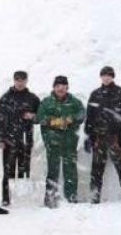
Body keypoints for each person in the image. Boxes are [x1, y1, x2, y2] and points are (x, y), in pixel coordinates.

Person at [84, 66, 121, 203]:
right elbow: (89, 117)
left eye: (109, 75)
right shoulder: (95, 94)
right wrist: (88, 136)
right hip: (99, 137)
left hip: (116, 138)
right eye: (104, 75)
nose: (106, 77)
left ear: (113, 77)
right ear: (101, 77)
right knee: (96, 168)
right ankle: (94, 194)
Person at [37, 75, 85, 206]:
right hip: (52, 141)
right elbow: (38, 117)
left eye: (63, 86)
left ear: (67, 87)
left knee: (70, 169)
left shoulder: (74, 102)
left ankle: (71, 197)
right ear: (54, 87)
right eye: (58, 86)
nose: (60, 88)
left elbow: (82, 114)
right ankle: (50, 199)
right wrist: (52, 121)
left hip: (70, 141)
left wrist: (70, 119)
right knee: (53, 170)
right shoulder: (46, 102)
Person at [0, 70, 40, 206]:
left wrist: (32, 116)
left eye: (22, 80)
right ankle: (6, 197)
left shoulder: (33, 98)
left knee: (23, 168)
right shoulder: (5, 98)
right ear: (14, 81)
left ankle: (20, 197)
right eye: (17, 80)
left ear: (26, 81)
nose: (20, 83)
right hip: (8, 139)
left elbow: (41, 117)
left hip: (26, 139)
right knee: (7, 169)